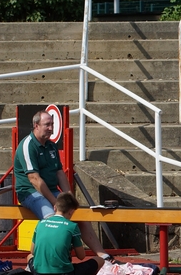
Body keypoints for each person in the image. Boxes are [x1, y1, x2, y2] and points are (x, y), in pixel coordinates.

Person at [13, 110, 112, 262]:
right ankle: (41, 259)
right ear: (36, 126)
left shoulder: (51, 146)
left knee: (79, 215)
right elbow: (34, 179)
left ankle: (103, 255)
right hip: (29, 192)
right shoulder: (27, 145)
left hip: (51, 190)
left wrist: (69, 197)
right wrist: (55, 202)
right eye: (47, 125)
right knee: (53, 219)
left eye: (52, 124)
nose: (51, 128)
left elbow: (59, 173)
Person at [27, 192, 104, 275]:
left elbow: (32, 251)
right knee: (100, 260)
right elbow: (81, 256)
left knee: (29, 256)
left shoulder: (40, 223)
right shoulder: (72, 226)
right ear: (71, 211)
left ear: (55, 207)